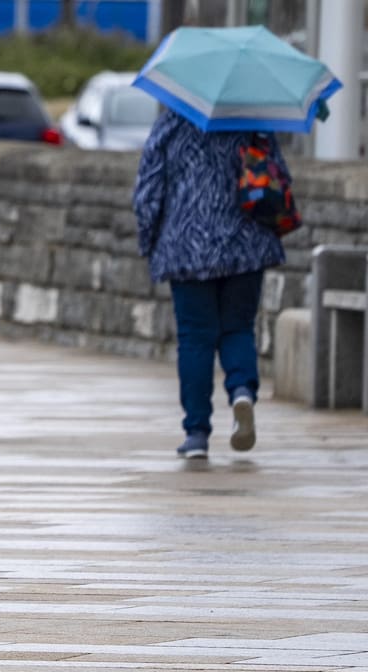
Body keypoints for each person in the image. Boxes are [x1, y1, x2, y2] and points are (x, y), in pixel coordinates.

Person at [133, 109, 290, 460]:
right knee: (237, 328)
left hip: (188, 247)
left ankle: (197, 433)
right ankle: (242, 393)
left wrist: (149, 240)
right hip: (246, 244)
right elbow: (279, 178)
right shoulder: (253, 122)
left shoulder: (172, 122)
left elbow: (148, 188)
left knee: (195, 338)